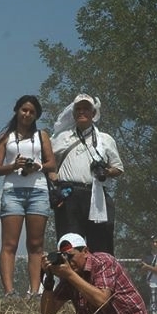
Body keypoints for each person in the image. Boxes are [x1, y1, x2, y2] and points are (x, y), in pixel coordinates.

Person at [0, 95, 56, 298]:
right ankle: (9, 291)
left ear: (36, 115)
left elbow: (51, 164)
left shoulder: (42, 135)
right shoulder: (5, 136)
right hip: (13, 191)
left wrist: (37, 166)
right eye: (24, 110)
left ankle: (35, 291)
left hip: (38, 190)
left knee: (36, 244)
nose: (27, 114)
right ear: (17, 110)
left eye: (31, 111)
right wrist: (14, 166)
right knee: (9, 244)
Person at [48, 94, 123, 254]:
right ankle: (70, 279)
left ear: (93, 113)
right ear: (73, 113)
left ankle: (100, 278)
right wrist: (53, 176)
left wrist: (105, 171)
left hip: (96, 195)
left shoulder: (105, 139)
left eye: (86, 109)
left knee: (100, 244)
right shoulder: (60, 137)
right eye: (78, 109)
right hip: (68, 194)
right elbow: (47, 160)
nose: (82, 112)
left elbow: (118, 168)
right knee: (69, 245)